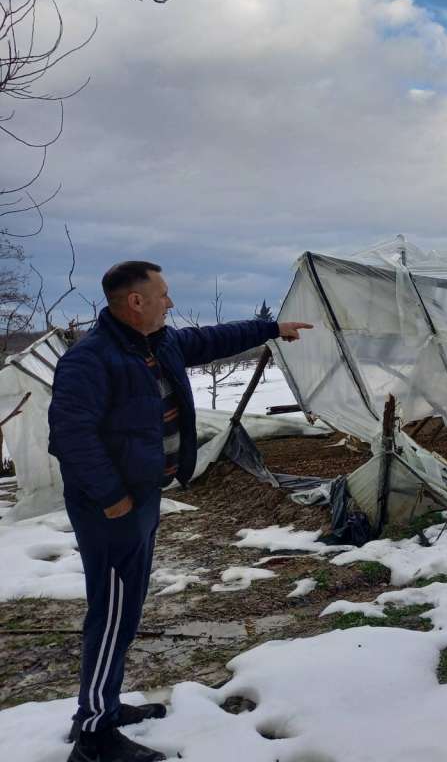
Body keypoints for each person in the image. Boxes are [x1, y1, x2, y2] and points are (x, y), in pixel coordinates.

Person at [49, 261, 312, 762]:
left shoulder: (158, 343)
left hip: (141, 496)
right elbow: (70, 436)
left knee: (125, 607)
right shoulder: (92, 358)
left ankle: (100, 706)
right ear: (135, 302)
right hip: (110, 508)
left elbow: (215, 338)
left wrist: (272, 328)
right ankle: (94, 737)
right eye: (163, 294)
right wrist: (112, 498)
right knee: (111, 614)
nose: (170, 302)